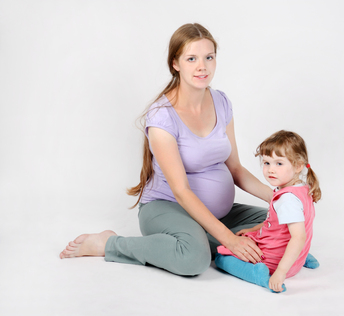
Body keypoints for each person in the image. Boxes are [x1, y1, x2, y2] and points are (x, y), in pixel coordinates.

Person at [59, 23, 318, 277]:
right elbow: (181, 192)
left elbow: (236, 169)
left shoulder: (221, 102)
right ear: (176, 63)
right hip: (167, 207)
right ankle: (108, 244)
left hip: (220, 212)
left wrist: (283, 198)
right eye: (191, 58)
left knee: (281, 221)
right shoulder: (162, 118)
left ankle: (215, 239)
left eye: (209, 57)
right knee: (194, 258)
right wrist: (230, 239)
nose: (202, 66)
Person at [215, 130, 321, 293]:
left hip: (275, 263)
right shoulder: (301, 189)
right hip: (294, 263)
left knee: (221, 258)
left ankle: (258, 274)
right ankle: (302, 256)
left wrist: (280, 273)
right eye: (266, 163)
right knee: (249, 235)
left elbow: (298, 237)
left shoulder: (287, 200)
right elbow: (278, 224)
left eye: (279, 163)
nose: (271, 170)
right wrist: (253, 230)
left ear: (298, 165)